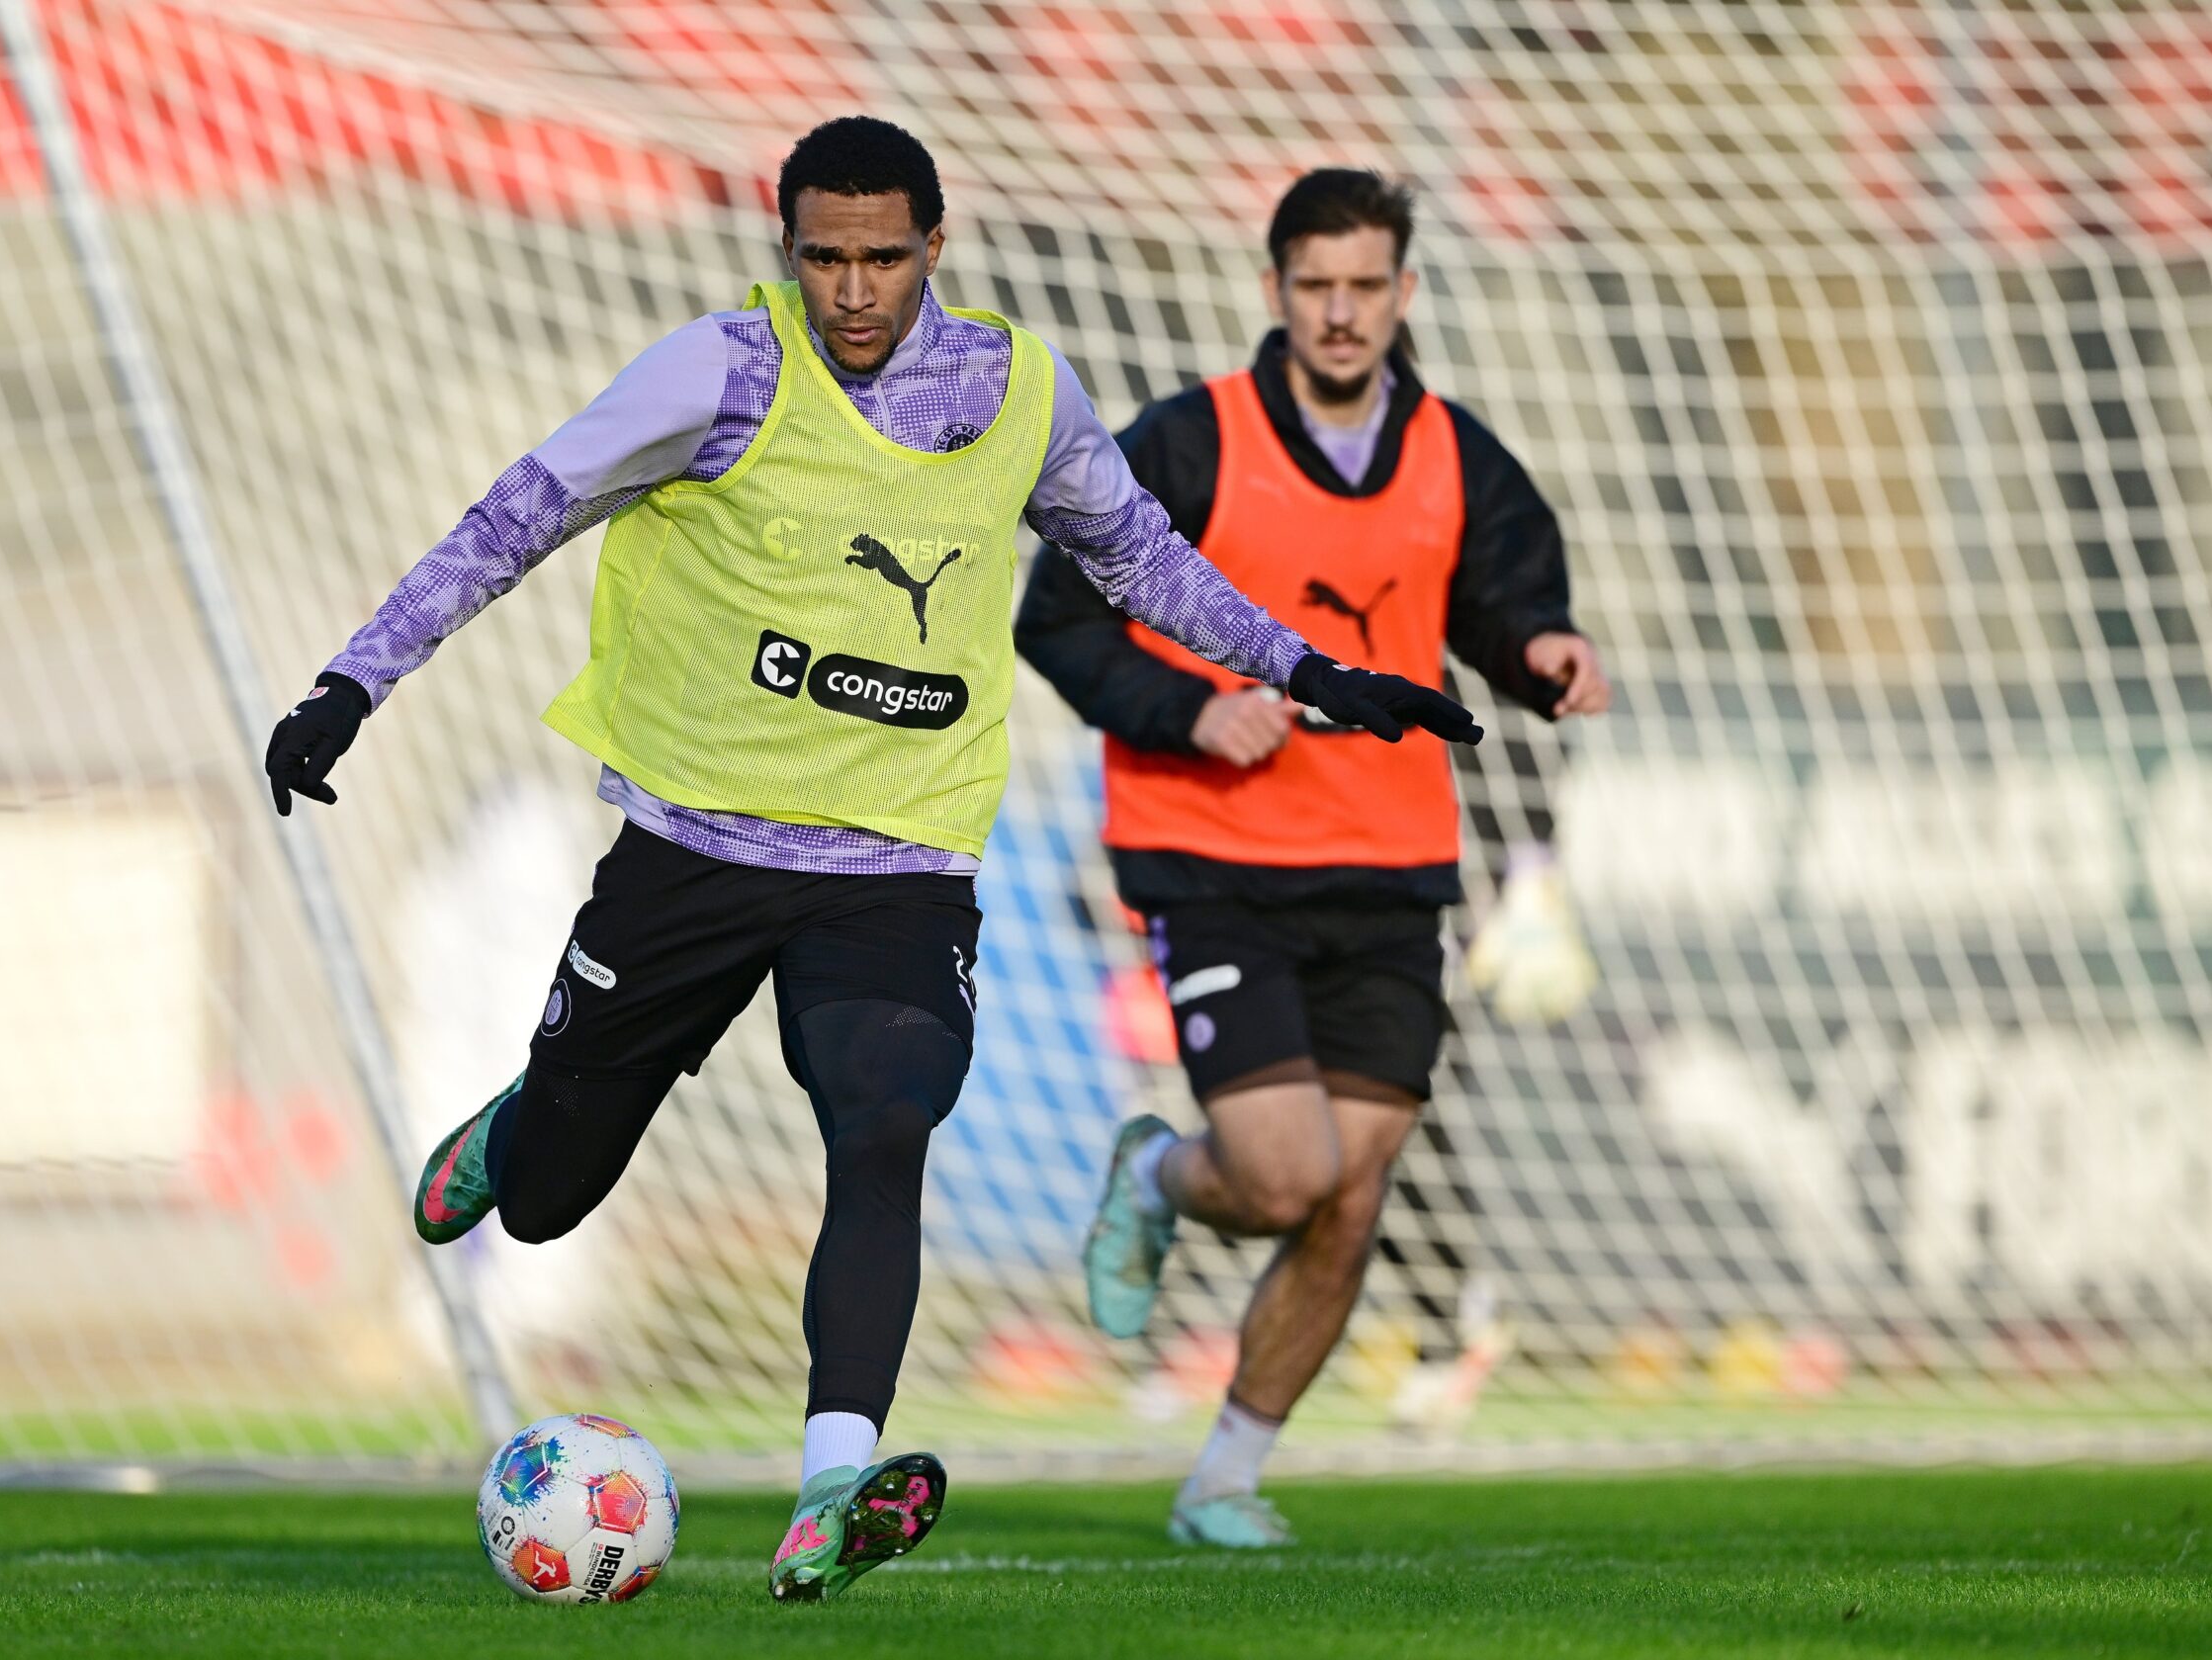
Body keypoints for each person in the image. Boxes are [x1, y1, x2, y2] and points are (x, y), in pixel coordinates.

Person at [261, 123, 1480, 1601]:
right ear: (788, 251)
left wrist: (1310, 670)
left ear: (936, 247)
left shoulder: (1016, 389)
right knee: (549, 1203)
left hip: (900, 859)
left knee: (883, 1118)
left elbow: (1139, 556)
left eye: (883, 258)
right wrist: (353, 683)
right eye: (824, 258)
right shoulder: (714, 375)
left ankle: (833, 1481)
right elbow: (518, 517)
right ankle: (529, 1126)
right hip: (693, 850)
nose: (853, 290)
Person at [1015, 168, 1611, 1548]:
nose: (1342, 314)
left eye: (1367, 287)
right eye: (1316, 286)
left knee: (1354, 1195)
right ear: (1274, 291)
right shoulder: (1188, 445)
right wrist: (1191, 707)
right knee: (1283, 1176)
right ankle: (1160, 1176)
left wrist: (1544, 655)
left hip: (1392, 865)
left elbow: (1510, 602)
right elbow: (1059, 621)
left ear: (1405, 295)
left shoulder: (1461, 458)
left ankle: (1224, 1477)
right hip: (1214, 858)